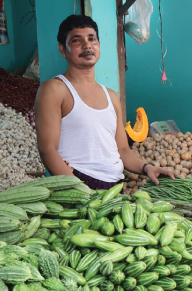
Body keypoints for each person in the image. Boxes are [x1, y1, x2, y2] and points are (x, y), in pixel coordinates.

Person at [35, 15, 175, 190]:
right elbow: (47, 149)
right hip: (77, 182)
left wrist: (147, 168)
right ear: (63, 50)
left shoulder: (111, 96)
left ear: (99, 45)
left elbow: (123, 150)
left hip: (115, 186)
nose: (87, 45)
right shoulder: (55, 89)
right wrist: (77, 189)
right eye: (77, 40)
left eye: (92, 39)